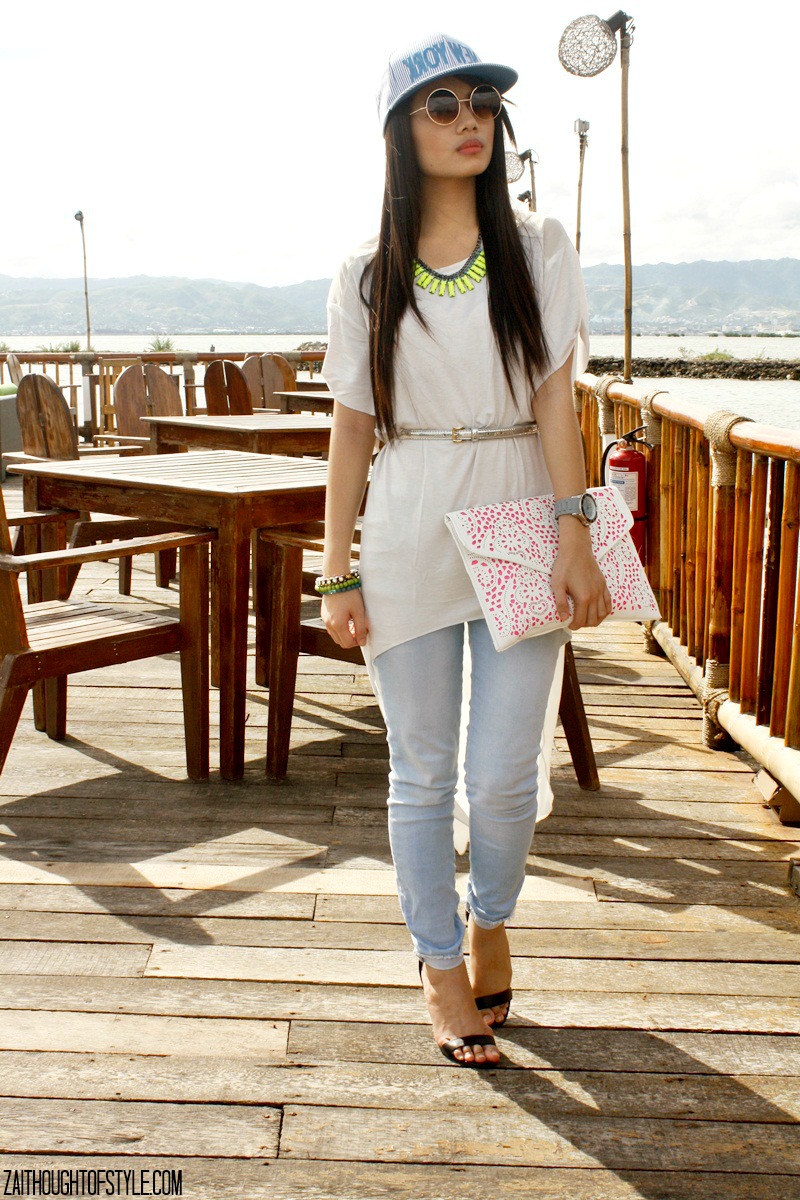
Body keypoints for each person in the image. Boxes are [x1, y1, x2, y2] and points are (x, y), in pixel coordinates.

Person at [320, 33, 611, 1067]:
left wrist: (576, 532)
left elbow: (556, 398)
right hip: (407, 519)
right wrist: (337, 567)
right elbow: (351, 425)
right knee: (420, 769)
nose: (468, 120)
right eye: (441, 106)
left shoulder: (538, 246)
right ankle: (439, 964)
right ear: (400, 132)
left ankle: (491, 914)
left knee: (499, 777)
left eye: (481, 102)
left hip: (519, 511)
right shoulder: (366, 273)